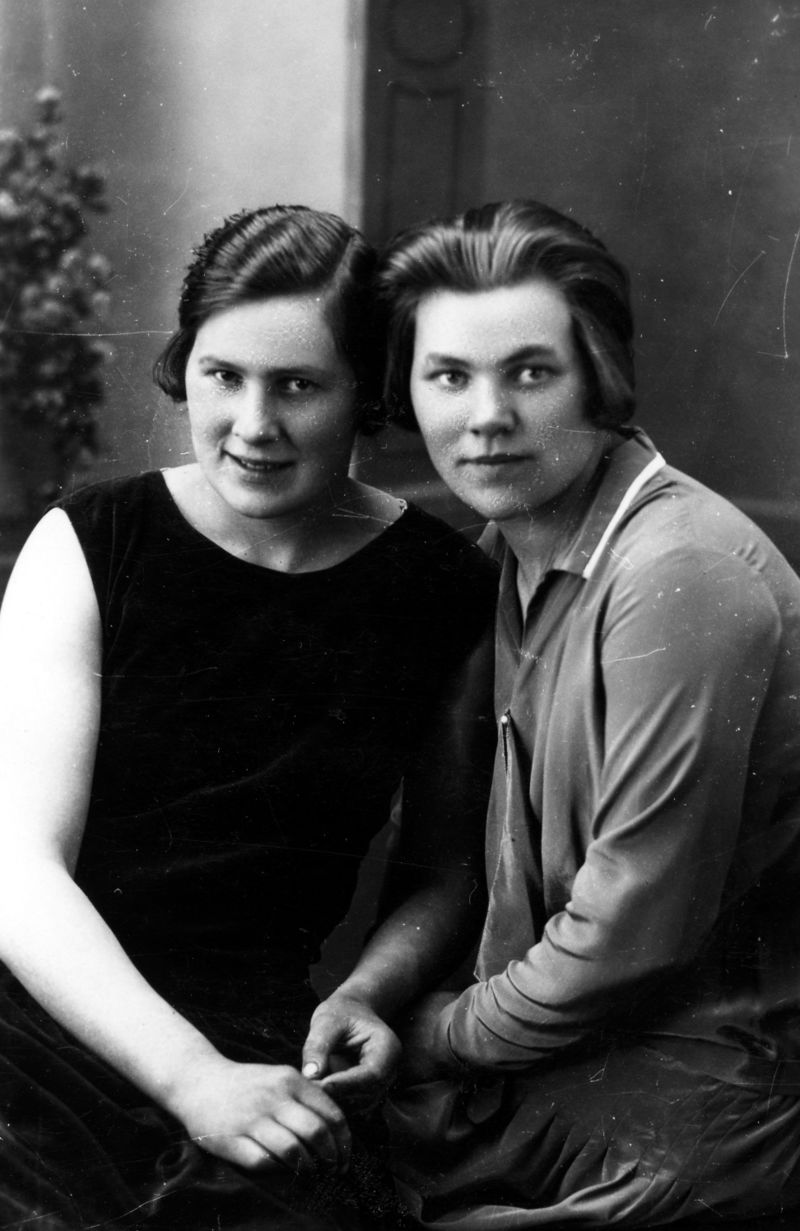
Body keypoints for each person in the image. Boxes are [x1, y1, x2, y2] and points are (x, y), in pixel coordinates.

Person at [0, 204, 497, 1230]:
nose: (253, 424)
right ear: (184, 367)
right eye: (223, 376)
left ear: (367, 394)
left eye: (298, 385)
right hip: (44, 1008)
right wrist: (191, 1078)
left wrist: (366, 992)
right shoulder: (90, 542)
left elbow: (444, 871)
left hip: (261, 1041)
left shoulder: (441, 582)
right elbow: (19, 872)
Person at [347, 198, 800, 1227]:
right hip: (558, 1065)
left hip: (707, 1102)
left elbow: (627, 939)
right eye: (448, 376)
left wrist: (434, 1035)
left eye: (529, 373)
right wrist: (368, 997)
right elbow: (447, 857)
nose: (486, 416)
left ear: (598, 378)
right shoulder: (498, 561)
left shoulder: (678, 573)